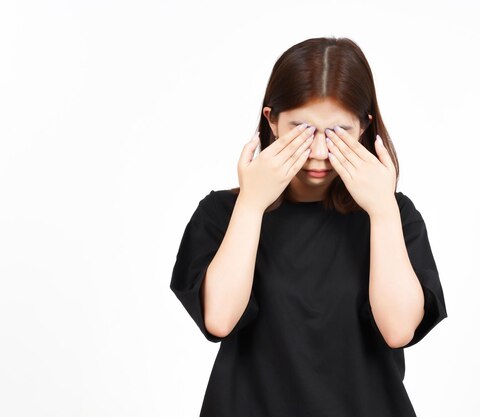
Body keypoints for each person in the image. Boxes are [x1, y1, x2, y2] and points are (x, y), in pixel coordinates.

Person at [170, 36, 448, 417]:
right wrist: (252, 203)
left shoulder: (393, 216)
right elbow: (219, 319)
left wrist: (383, 210)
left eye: (338, 133)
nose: (318, 153)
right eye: (301, 129)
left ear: (365, 127)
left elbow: (398, 329)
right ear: (271, 120)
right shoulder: (223, 212)